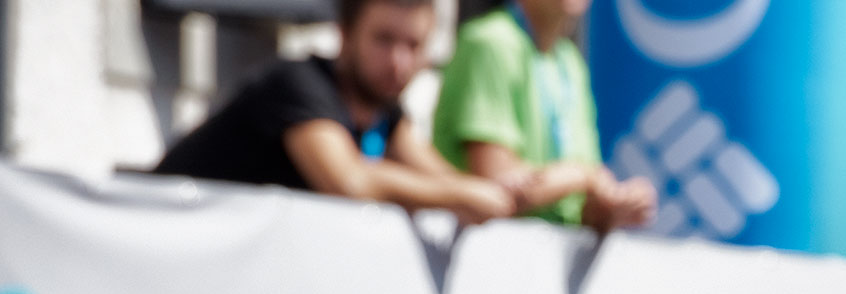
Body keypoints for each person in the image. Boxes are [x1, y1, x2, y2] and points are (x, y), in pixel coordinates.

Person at [153, 0, 514, 224]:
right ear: (345, 35)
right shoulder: (297, 84)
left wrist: (506, 189)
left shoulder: (388, 117)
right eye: (384, 40)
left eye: (413, 45)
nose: (398, 62)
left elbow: (442, 178)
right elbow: (348, 182)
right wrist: (463, 196)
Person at [430, 0, 657, 231]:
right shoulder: (489, 42)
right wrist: (584, 177)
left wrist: (610, 206)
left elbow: (578, 211)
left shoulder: (570, 63)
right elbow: (497, 191)